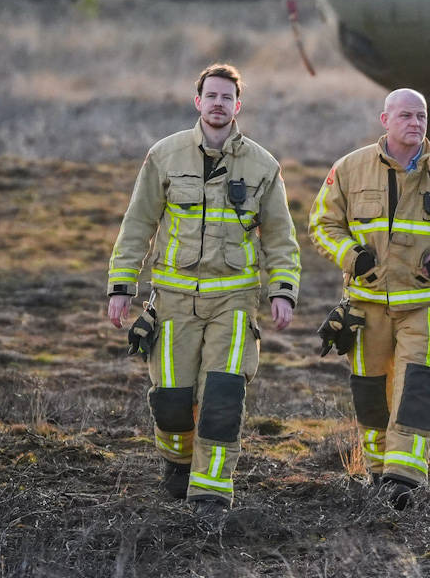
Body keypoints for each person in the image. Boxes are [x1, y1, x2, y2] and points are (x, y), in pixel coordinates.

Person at [106, 63, 302, 527]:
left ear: (238, 105)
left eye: (227, 97)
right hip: (172, 301)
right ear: (198, 102)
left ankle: (211, 496)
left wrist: (283, 291)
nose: (218, 104)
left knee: (222, 397)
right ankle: (178, 463)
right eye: (210, 96)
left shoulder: (263, 165)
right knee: (171, 402)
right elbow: (138, 225)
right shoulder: (164, 155)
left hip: (234, 302)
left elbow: (280, 237)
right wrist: (121, 287)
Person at [307, 88, 430, 507]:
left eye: (422, 116)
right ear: (385, 120)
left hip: (426, 304)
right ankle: (378, 473)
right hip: (366, 304)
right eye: (406, 115)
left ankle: (403, 480)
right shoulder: (349, 168)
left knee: (416, 392)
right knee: (371, 395)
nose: (416, 123)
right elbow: (322, 223)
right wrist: (351, 256)